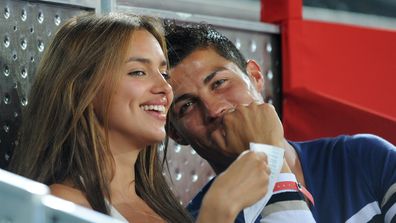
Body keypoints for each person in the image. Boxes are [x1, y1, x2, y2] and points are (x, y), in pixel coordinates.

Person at [8, 13, 274, 223]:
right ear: (82, 88)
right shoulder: (62, 206)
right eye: (138, 72)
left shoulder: (168, 208)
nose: (164, 88)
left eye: (163, 73)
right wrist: (217, 212)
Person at [164, 22, 396, 223]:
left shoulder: (365, 158)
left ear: (255, 77)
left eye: (220, 83)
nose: (214, 110)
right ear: (175, 133)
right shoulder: (202, 219)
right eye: (187, 106)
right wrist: (268, 155)